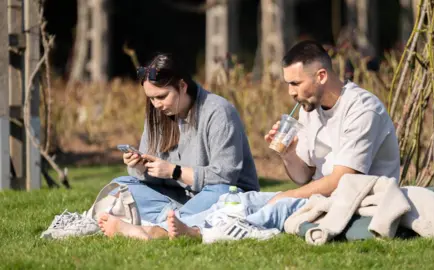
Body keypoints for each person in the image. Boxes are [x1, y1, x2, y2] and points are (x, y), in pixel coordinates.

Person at [99, 40, 400, 241]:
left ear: (321, 75)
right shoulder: (310, 108)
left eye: (295, 83)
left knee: (259, 205)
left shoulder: (362, 109)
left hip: (350, 197)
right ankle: (170, 227)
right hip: (316, 194)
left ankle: (169, 232)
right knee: (238, 204)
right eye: (288, 85)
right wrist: (288, 154)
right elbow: (303, 176)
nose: (291, 93)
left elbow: (342, 180)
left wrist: (290, 195)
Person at [99, 52, 260, 236]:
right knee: (121, 185)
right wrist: (141, 167)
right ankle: (178, 221)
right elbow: (155, 178)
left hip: (226, 196)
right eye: (151, 98)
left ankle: (159, 228)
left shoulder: (219, 112)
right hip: (180, 198)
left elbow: (224, 177)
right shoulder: (158, 114)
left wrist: (174, 171)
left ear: (182, 86)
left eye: (161, 96)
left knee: (221, 193)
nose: (156, 104)